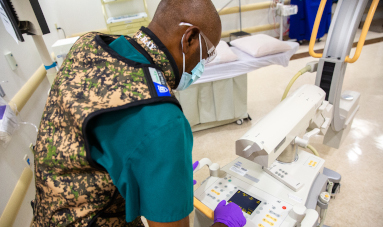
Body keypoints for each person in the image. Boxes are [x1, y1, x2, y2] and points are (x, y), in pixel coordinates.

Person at [32, 0, 246, 226]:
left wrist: (160, 176)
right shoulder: (165, 122)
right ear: (189, 38)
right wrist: (223, 225)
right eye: (206, 55)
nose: (200, 66)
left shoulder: (88, 45)